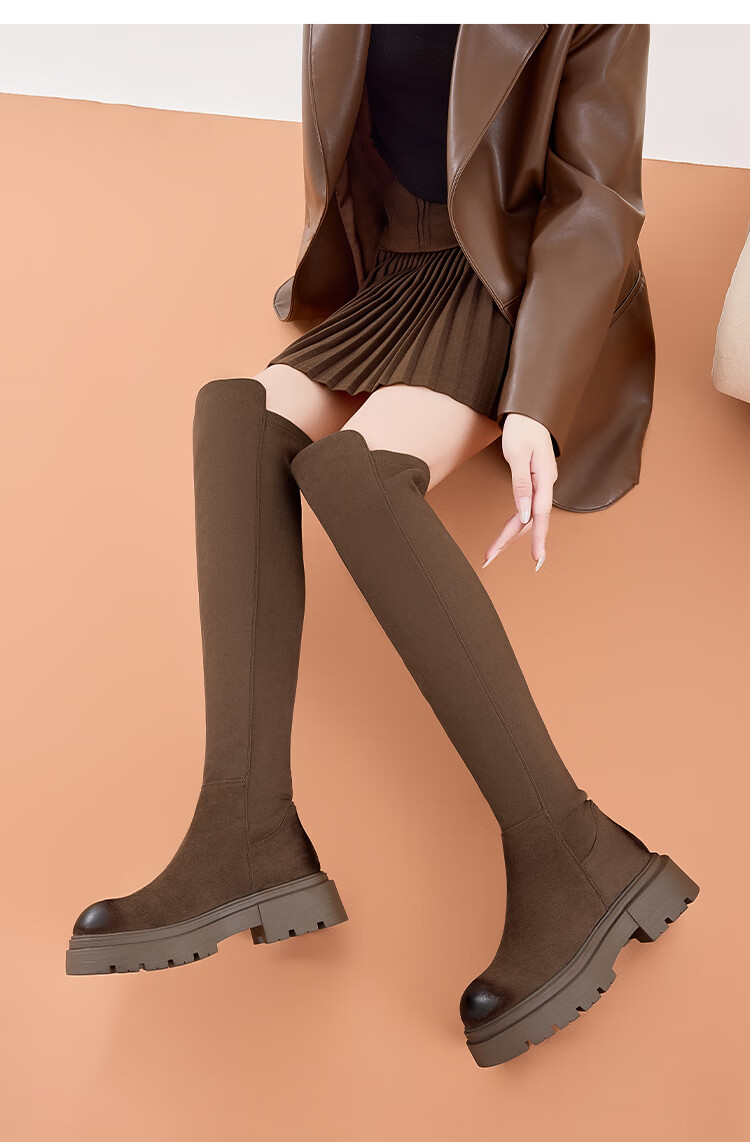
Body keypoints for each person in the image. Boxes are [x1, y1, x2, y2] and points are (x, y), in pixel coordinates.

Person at [66, 24, 700, 1067]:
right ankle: (243, 827)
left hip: (519, 283)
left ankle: (573, 846)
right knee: (236, 416)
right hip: (397, 279)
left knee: (356, 476)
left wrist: (537, 402)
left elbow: (597, 200)